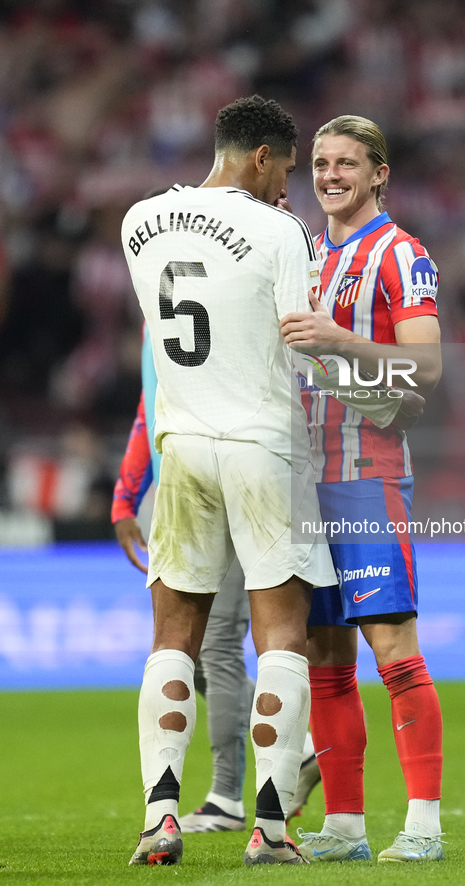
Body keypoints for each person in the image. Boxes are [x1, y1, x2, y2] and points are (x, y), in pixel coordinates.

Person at [121, 94, 337, 867]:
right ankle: (271, 830)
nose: (288, 187)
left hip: (180, 443)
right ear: (259, 157)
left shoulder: (137, 222)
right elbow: (306, 343)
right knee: (282, 636)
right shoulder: (281, 231)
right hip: (261, 447)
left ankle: (159, 819)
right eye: (284, 169)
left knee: (170, 640)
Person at [280, 115, 444, 864]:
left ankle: (423, 826)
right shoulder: (307, 254)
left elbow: (425, 371)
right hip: (299, 482)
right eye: (319, 162)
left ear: (379, 173)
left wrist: (339, 339)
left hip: (365, 476)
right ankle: (345, 827)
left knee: (393, 650)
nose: (330, 175)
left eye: (347, 162)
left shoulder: (401, 254)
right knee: (325, 658)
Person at [111, 331, 321, 833]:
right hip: (183, 480)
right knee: (194, 657)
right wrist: (128, 492)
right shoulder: (158, 303)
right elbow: (152, 398)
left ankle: (227, 795)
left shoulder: (189, 283)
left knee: (215, 647)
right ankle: (304, 748)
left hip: (235, 470)